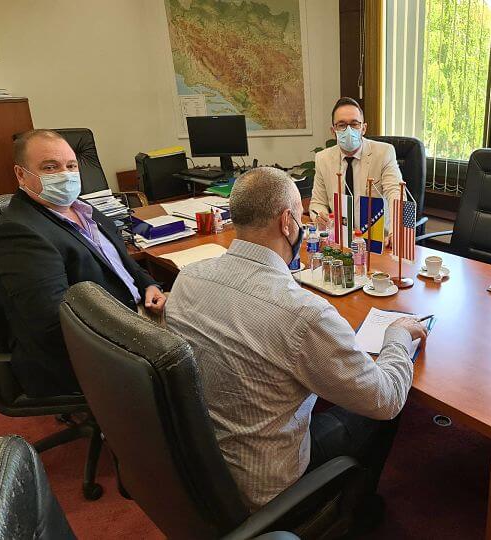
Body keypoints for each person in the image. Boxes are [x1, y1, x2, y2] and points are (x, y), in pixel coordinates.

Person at [165, 167, 426, 518]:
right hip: (267, 485)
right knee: (388, 401)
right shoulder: (303, 313)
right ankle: (357, 510)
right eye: (301, 217)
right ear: (287, 222)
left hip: (203, 460)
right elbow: (385, 399)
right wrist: (396, 336)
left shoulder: (188, 278)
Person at [0, 129, 165, 397]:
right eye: (50, 167)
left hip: (135, 313)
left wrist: (149, 284)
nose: (65, 175)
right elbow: (53, 325)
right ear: (21, 174)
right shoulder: (18, 234)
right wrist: (139, 333)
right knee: (203, 348)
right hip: (96, 348)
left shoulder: (83, 209)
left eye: (71, 166)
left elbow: (121, 263)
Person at [310, 97, 402, 243]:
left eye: (354, 124)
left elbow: (395, 193)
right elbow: (318, 202)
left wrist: (396, 231)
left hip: (377, 239)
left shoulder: (384, 153)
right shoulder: (323, 158)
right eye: (341, 125)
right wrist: (321, 216)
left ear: (363, 128)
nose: (348, 130)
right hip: (340, 238)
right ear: (333, 131)